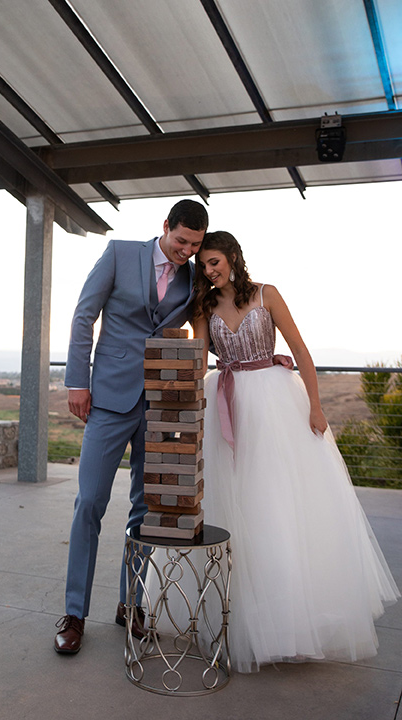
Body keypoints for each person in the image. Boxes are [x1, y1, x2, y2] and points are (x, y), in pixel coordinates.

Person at [190, 230, 399, 672]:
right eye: (204, 265)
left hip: (275, 403)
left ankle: (295, 625)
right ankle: (245, 620)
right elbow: (199, 358)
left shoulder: (268, 294)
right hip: (227, 404)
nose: (210, 271)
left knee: (282, 508)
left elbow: (300, 349)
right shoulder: (204, 306)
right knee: (237, 510)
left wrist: (317, 406)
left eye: (215, 261)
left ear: (231, 256)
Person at [53, 199, 208, 653]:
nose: (186, 251)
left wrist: (263, 357)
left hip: (162, 405)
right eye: (181, 241)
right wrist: (77, 382)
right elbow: (85, 315)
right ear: (165, 227)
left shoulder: (193, 277)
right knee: (89, 504)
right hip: (108, 397)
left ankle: (131, 606)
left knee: (145, 509)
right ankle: (74, 613)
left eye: (195, 246)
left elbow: (211, 325)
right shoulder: (119, 253)